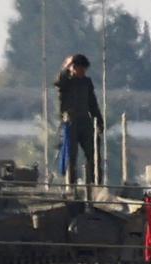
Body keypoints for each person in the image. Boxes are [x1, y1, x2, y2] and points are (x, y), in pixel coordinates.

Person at [54, 54, 104, 191]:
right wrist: (67, 66)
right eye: (80, 69)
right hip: (70, 122)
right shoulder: (65, 80)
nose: (83, 73)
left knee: (93, 153)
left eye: (84, 70)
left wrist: (99, 120)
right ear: (74, 68)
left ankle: (95, 184)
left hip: (85, 120)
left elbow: (92, 103)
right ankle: (71, 186)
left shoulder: (86, 82)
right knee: (71, 155)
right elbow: (58, 83)